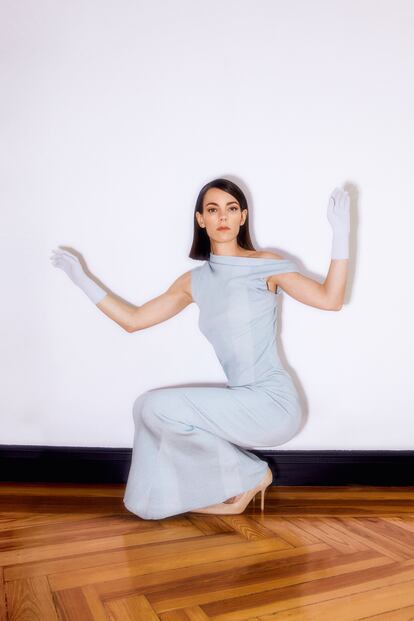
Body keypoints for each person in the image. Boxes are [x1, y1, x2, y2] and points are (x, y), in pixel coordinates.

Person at [50, 178, 350, 519]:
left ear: (242, 217)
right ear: (201, 220)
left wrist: (340, 235)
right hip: (243, 400)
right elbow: (132, 320)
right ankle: (236, 481)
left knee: (154, 405)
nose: (222, 216)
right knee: (148, 411)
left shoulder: (265, 264)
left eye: (231, 208)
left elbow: (330, 300)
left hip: (274, 403)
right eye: (213, 209)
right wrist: (81, 279)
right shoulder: (193, 282)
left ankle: (252, 473)